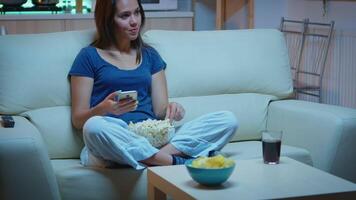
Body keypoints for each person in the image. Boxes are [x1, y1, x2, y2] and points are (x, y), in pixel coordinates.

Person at [68, 0, 238, 170]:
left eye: (137, 12)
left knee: (227, 120)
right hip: (114, 136)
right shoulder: (88, 56)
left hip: (152, 138)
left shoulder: (149, 55)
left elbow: (160, 111)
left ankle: (148, 158)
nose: (134, 21)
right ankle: (174, 161)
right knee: (94, 126)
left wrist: (173, 108)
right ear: (108, 20)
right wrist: (104, 108)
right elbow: (78, 120)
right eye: (125, 16)